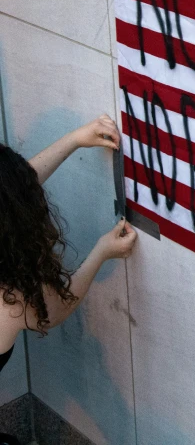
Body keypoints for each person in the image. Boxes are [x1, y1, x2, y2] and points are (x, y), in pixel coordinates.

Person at [0, 114, 137, 376]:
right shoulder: (11, 298)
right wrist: (101, 252)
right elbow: (56, 310)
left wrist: (73, 140)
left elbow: (11, 193)